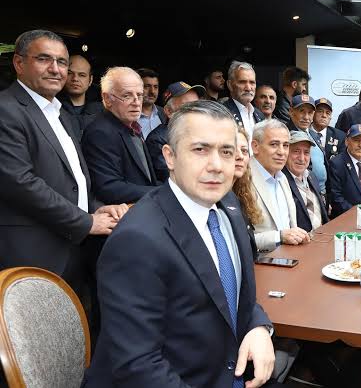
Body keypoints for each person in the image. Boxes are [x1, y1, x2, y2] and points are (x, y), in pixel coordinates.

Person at [84, 100, 277, 387]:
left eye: (226, 151)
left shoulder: (228, 205)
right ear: (170, 157)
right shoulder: (137, 240)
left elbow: (240, 295)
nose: (216, 166)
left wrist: (258, 326)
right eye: (200, 150)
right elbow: (137, 365)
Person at [0, 29, 126, 305]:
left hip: (71, 251)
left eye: (62, 62)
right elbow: (20, 183)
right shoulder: (6, 110)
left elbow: (73, 180)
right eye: (44, 59)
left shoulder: (60, 114)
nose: (56, 69)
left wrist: (95, 208)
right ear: (19, 63)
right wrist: (86, 221)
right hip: (32, 254)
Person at [82, 67, 160, 204]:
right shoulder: (100, 132)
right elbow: (108, 187)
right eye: (127, 96)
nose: (136, 102)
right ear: (107, 99)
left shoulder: (132, 125)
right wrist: (160, 192)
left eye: (139, 95)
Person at [250, 119, 310, 251]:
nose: (282, 152)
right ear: (255, 146)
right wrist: (279, 237)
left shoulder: (282, 178)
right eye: (274, 144)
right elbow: (239, 241)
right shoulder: (242, 180)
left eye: (286, 145)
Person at [146, 81, 205, 182]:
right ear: (169, 111)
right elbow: (172, 178)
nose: (195, 110)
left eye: (197, 105)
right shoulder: (157, 140)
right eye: (187, 106)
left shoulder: (204, 132)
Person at [225, 127, 264, 258]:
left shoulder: (242, 195)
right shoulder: (212, 200)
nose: (240, 156)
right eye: (231, 150)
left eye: (244, 151)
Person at [329, 124, 361, 217]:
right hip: (347, 218)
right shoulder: (336, 163)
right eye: (356, 140)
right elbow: (336, 199)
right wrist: (360, 214)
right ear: (346, 141)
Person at [283, 131, 329, 232]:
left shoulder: (311, 176)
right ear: (286, 152)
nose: (302, 158)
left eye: (306, 152)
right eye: (296, 151)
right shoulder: (280, 180)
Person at [288, 94, 329, 199]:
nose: (306, 117)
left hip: (321, 194)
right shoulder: (285, 134)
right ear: (291, 112)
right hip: (301, 194)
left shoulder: (314, 134)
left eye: (310, 112)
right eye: (302, 111)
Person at [58, 54, 103, 139]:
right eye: (69, 73)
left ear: (90, 80)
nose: (75, 78)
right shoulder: (51, 106)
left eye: (82, 75)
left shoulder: (103, 111)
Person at [222, 61, 265, 139]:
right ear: (230, 85)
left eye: (252, 82)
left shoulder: (260, 115)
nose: (248, 88)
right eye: (242, 82)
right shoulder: (221, 113)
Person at [309, 97, 346, 161]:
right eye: (320, 111)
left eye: (327, 113)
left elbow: (342, 161)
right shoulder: (304, 132)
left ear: (330, 117)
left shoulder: (340, 136)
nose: (324, 115)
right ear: (313, 113)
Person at [137, 68, 166, 138]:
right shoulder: (128, 116)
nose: (152, 91)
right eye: (147, 86)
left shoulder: (164, 113)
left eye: (155, 87)